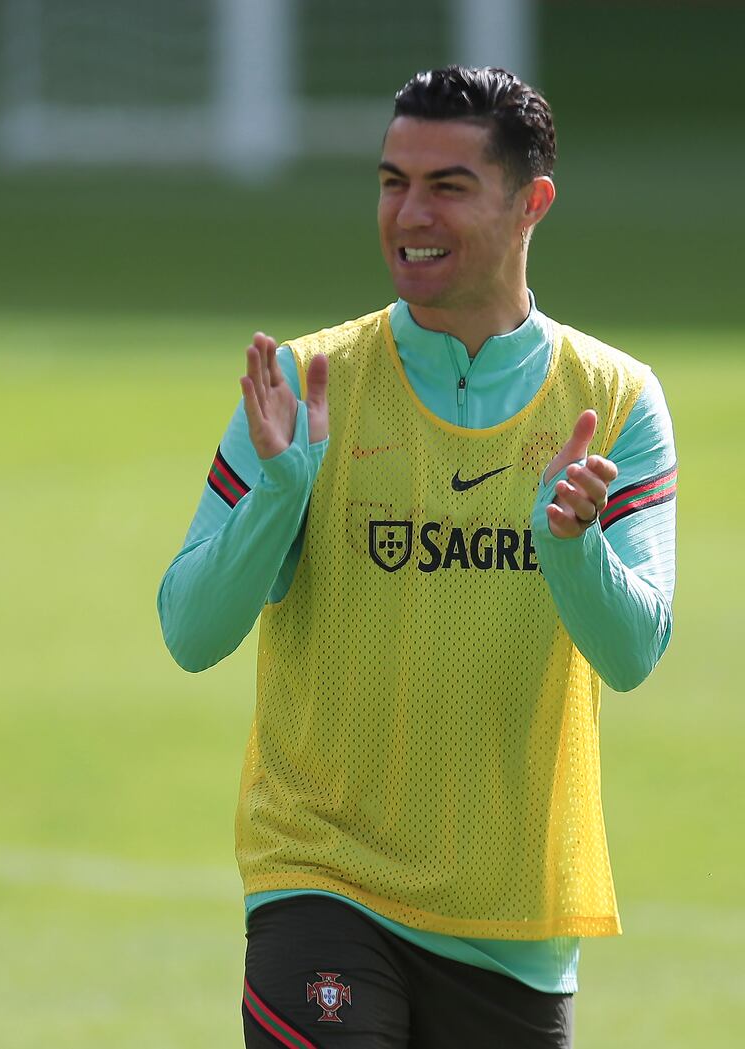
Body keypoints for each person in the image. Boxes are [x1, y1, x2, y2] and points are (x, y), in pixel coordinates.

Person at [158, 66, 676, 1049]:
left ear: (530, 203)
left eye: (446, 185)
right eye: (392, 180)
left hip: (511, 923)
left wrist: (570, 552)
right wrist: (278, 494)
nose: (407, 212)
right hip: (321, 873)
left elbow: (632, 650)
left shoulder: (612, 400)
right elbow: (189, 630)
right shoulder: (303, 388)